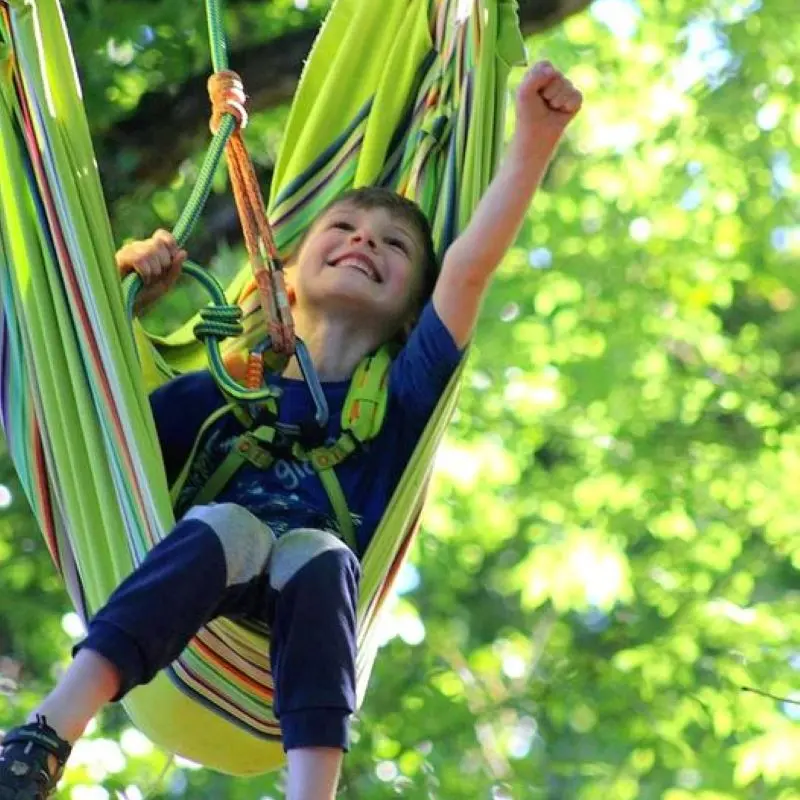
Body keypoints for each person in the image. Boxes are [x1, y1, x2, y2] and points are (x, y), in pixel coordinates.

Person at [0, 61, 582, 800]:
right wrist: (129, 293)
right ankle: (44, 736)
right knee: (229, 525)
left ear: (411, 308)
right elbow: (97, 431)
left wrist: (534, 140)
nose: (365, 243)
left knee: (318, 551)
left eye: (394, 247)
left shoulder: (403, 393)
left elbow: (467, 271)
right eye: (342, 229)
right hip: (190, 607)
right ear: (284, 276)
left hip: (299, 627)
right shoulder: (224, 386)